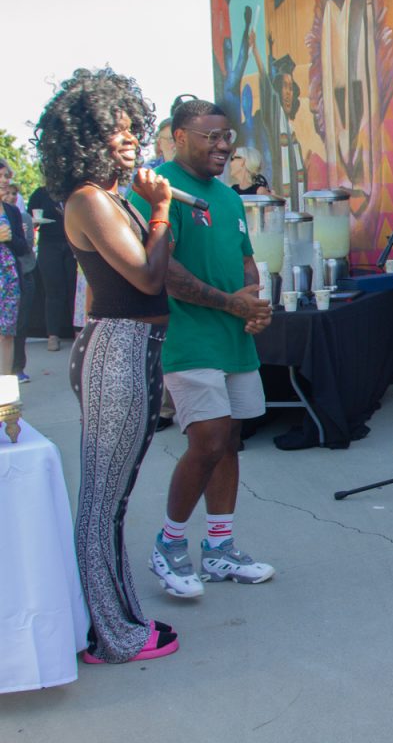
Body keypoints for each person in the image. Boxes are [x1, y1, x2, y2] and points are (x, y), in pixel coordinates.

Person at [34, 67, 178, 663]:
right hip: (115, 350)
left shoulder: (110, 196)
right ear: (85, 136)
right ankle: (113, 637)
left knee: (110, 499)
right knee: (102, 501)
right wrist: (163, 208)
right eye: (113, 130)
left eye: (130, 127)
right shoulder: (89, 200)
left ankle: (120, 621)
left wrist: (152, 208)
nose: (129, 138)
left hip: (130, 349)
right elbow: (147, 275)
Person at [130, 97, 275, 599]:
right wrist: (231, 305)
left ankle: (219, 549)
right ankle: (168, 545)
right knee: (208, 439)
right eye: (211, 136)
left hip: (233, 338)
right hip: (188, 337)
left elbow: (245, 259)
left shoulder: (229, 197)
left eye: (227, 136)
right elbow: (163, 273)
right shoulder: (158, 187)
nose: (222, 144)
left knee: (230, 440)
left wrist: (254, 303)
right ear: (178, 136)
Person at [29, 184, 78, 354]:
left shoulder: (72, 191)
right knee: (53, 291)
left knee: (74, 289)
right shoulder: (40, 193)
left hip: (71, 242)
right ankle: (53, 335)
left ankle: (77, 332)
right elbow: (30, 220)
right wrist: (34, 221)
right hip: (48, 244)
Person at [0, 163, 29, 375]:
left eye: (6, 176)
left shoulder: (12, 210)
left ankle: (4, 391)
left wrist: (10, 239)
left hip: (9, 277)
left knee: (7, 333)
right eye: (0, 176)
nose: (4, 180)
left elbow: (22, 247)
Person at [12, 202, 37, 382]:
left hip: (23, 274)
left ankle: (17, 367)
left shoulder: (21, 216)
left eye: (14, 193)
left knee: (19, 325)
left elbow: (24, 247)